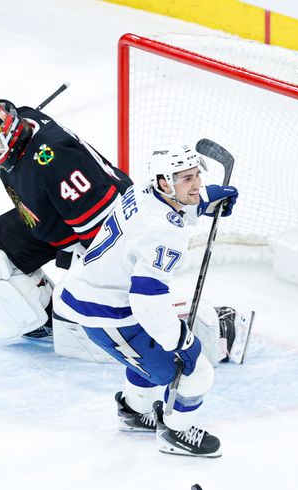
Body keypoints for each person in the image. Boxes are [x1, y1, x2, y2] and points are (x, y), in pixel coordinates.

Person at [53, 143, 254, 458]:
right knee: (195, 371)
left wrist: (204, 199)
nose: (196, 183)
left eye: (196, 175)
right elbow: (147, 298)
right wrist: (180, 342)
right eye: (186, 179)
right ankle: (177, 432)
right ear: (164, 182)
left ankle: (135, 412)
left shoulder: (143, 191)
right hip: (107, 313)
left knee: (149, 358)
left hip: (95, 293)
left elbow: (166, 209)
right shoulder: (162, 233)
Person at [0, 98, 132, 342]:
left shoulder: (55, 160)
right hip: (53, 212)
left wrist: (89, 264)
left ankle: (78, 318)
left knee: (94, 281)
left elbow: (102, 220)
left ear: (15, 134)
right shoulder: (24, 120)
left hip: (110, 226)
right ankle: (44, 317)